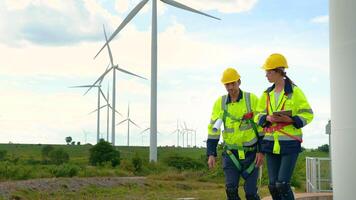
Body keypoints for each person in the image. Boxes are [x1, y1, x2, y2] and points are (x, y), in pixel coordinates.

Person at [254, 53, 314, 200]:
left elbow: (308, 114)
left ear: (278, 72)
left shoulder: (295, 92)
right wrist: (266, 117)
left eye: (268, 71)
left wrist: (291, 119)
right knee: (273, 185)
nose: (266, 75)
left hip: (289, 144)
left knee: (282, 184)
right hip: (270, 143)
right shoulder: (266, 94)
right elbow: (257, 115)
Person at [207, 67, 264, 200]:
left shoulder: (252, 99)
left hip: (251, 154)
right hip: (231, 155)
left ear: (239, 82)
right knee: (231, 190)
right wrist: (211, 153)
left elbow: (261, 128)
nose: (230, 87)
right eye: (227, 84)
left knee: (250, 193)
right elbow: (213, 130)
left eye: (233, 83)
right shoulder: (220, 103)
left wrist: (261, 151)